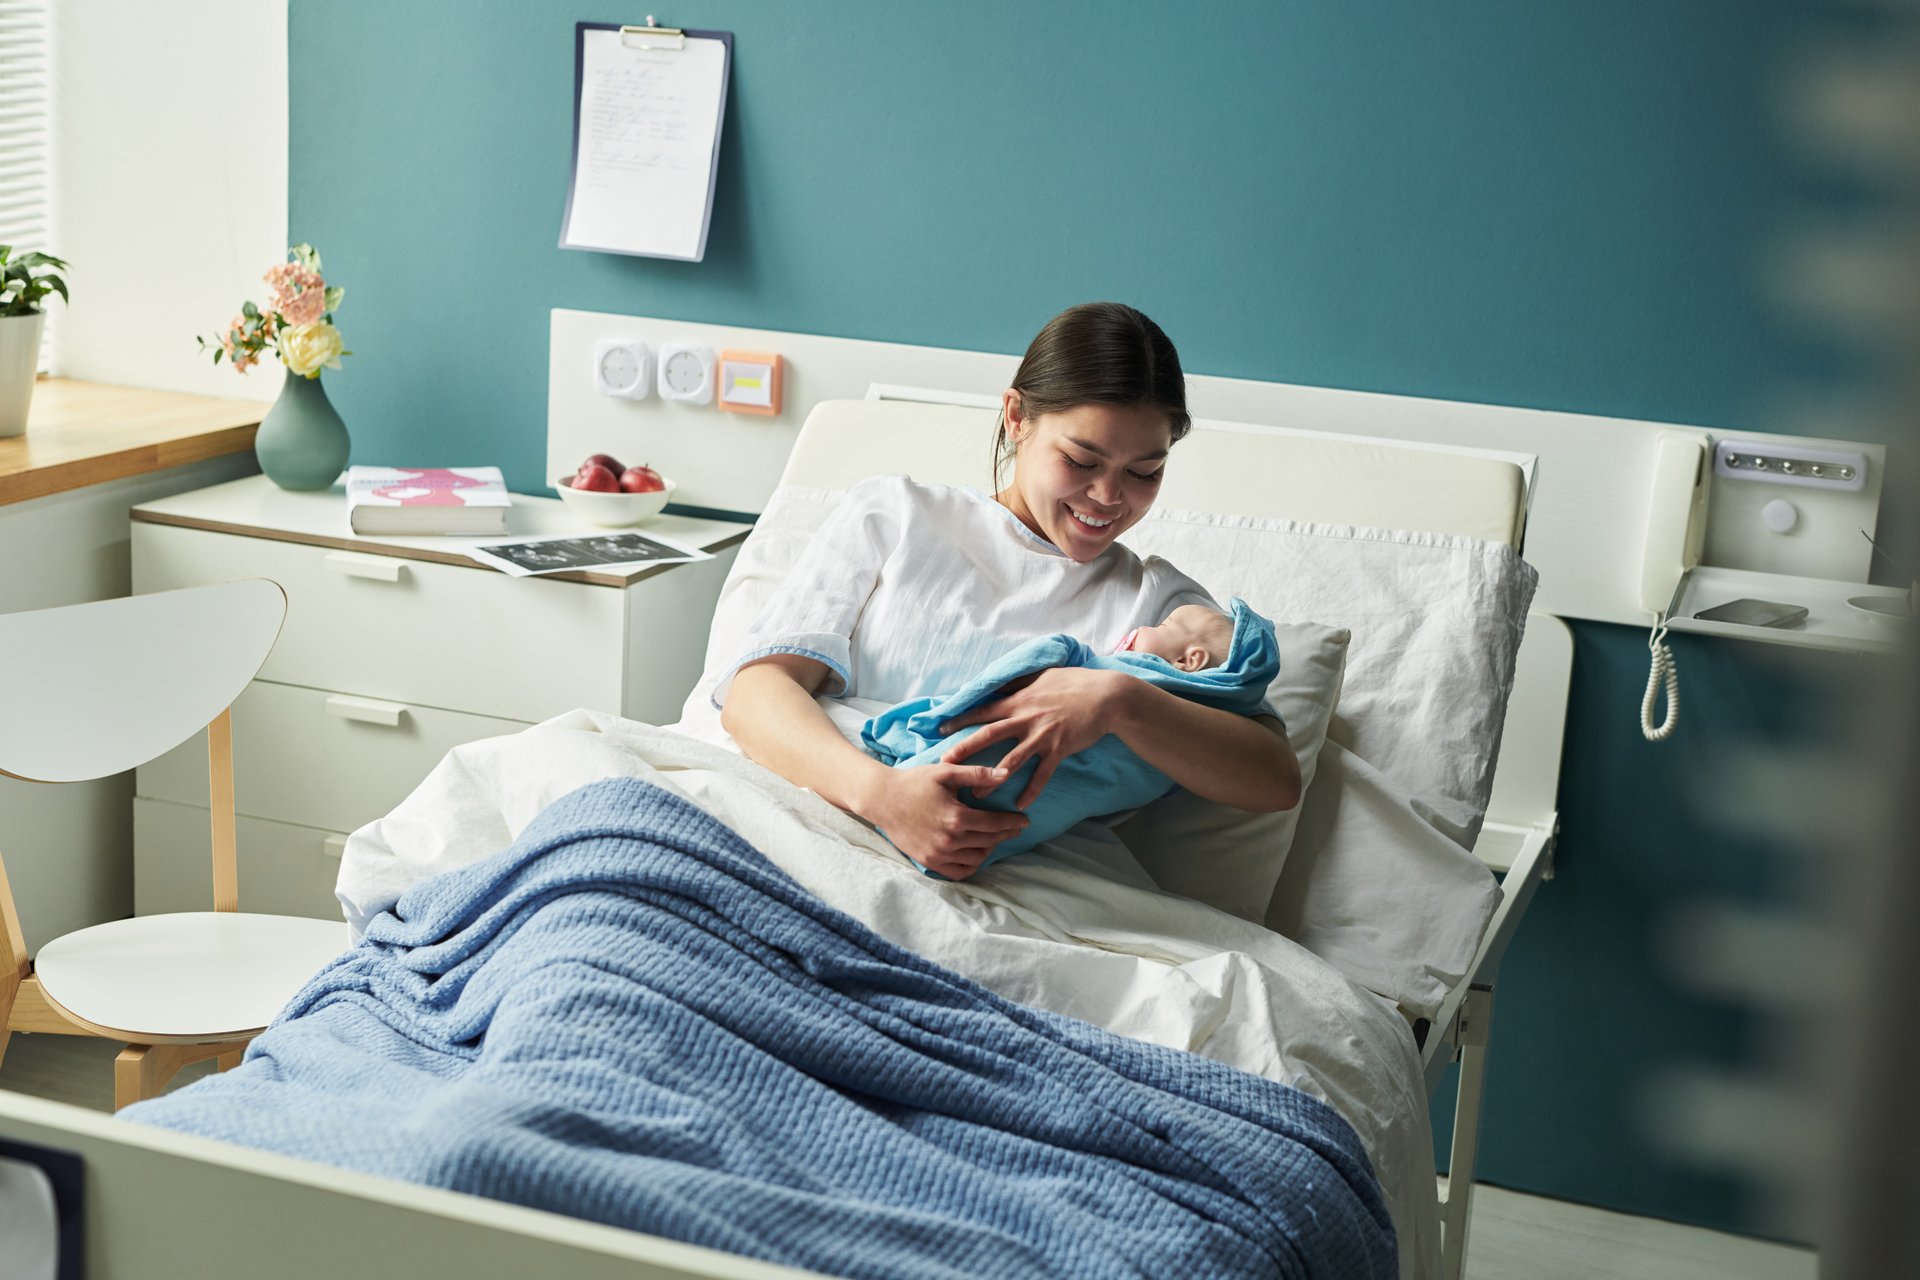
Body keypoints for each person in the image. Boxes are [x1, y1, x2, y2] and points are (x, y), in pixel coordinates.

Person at [717, 301, 1301, 880]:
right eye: (1080, 460)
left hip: (1002, 886)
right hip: (805, 825)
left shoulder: (1159, 606)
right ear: (1017, 417)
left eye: (1144, 472)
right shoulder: (898, 514)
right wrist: (885, 797)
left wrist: (1119, 700)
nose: (1107, 497)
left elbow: (1273, 778)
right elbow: (757, 693)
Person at [861, 598, 1283, 873]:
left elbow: (1279, 782)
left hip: (923, 792)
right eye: (1081, 461)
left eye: (1164, 622)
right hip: (976, 852)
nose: (1143, 625)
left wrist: (934, 720)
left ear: (1190, 660)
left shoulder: (1181, 716)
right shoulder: (1183, 747)